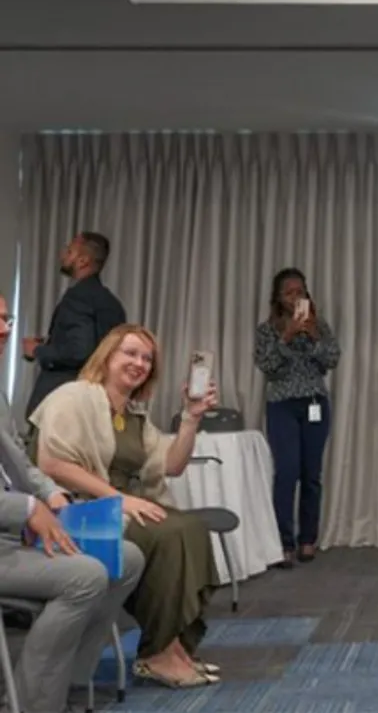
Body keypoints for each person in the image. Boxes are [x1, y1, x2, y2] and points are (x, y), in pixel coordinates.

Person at [28, 324, 223, 689]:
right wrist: (119, 499)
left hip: (120, 506)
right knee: (169, 533)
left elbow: (172, 465)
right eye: (130, 353)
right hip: (78, 510)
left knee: (190, 528)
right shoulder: (73, 396)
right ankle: (157, 653)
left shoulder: (134, 414)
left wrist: (191, 417)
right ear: (107, 356)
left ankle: (171, 644)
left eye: (147, 358)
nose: (139, 363)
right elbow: (52, 464)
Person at [0, 291, 145, 713]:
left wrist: (49, 494)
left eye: (8, 319)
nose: (6, 328)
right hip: (9, 534)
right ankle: (29, 703)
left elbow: (20, 467)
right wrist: (27, 510)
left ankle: (67, 681)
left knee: (126, 558)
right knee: (84, 576)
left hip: (16, 533)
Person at [253, 268, 341, 567]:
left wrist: (314, 336)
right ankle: (283, 542)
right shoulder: (267, 330)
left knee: (311, 474)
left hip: (315, 403)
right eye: (289, 293)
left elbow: (331, 360)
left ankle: (307, 540)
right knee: (287, 472)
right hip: (283, 405)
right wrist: (287, 336)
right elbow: (268, 367)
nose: (295, 297)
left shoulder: (319, 326)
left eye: (300, 291)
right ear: (278, 298)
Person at [23, 231, 127, 419]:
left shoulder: (77, 297)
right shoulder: (113, 304)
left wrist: (37, 350)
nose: (63, 255)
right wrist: (52, 343)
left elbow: (78, 352)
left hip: (62, 402)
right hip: (99, 404)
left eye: (69, 251)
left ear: (82, 261)